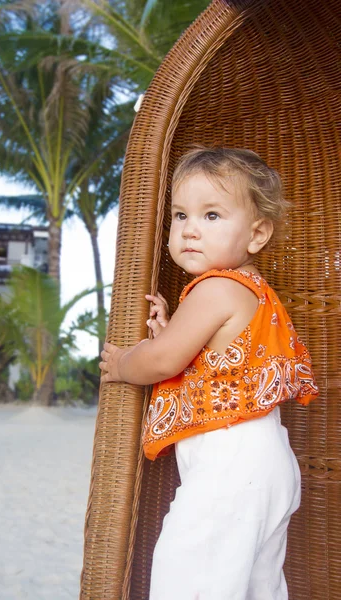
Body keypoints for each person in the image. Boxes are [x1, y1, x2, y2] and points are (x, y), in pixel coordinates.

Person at [99, 147, 319, 600]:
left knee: (189, 578)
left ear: (257, 233)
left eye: (212, 215)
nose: (190, 229)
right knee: (255, 585)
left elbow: (162, 362)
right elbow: (206, 357)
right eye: (180, 215)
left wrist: (125, 363)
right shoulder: (248, 290)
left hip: (231, 467)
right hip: (264, 462)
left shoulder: (216, 287)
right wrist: (168, 330)